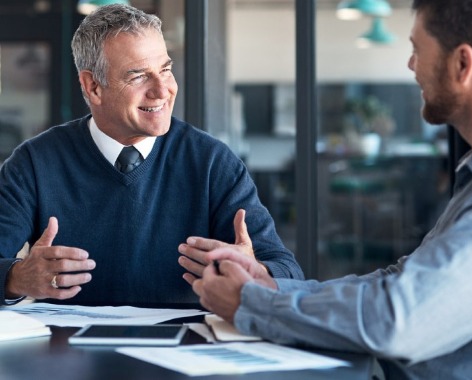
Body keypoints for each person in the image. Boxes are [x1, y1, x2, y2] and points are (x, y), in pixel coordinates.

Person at [191, 1, 472, 378]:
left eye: (418, 50)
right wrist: (271, 288)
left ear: (462, 65)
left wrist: (249, 303)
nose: (410, 65)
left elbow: (398, 319)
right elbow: (399, 280)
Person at [0, 4, 303, 307]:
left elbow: (289, 273)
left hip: (187, 348)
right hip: (68, 350)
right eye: (138, 76)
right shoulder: (33, 164)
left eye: (165, 70)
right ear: (93, 87)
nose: (162, 90)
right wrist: (16, 278)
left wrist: (258, 273)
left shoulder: (212, 162)